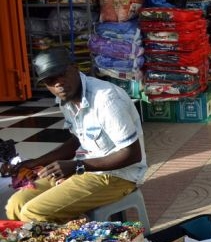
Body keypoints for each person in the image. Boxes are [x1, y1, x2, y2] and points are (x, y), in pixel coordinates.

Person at [5, 47, 147, 223]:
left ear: (75, 67)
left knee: (34, 212)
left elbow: (132, 154)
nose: (58, 83)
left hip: (118, 175)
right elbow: (77, 140)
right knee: (15, 204)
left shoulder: (106, 99)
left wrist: (77, 166)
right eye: (50, 80)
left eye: (62, 74)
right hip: (86, 168)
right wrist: (37, 162)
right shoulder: (65, 100)